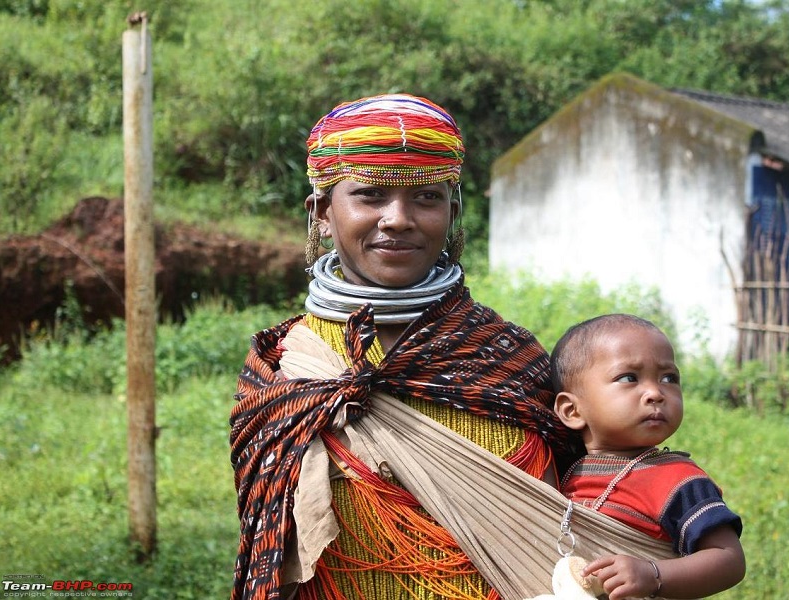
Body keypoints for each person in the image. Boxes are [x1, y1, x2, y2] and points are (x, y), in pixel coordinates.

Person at [229, 93, 579, 600]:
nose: (398, 218)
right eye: (371, 195)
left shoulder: (508, 358)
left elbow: (586, 502)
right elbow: (269, 548)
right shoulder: (284, 368)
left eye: (426, 197)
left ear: (453, 212)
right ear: (322, 212)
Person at [549, 314, 745, 600]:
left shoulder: (678, 478)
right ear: (572, 411)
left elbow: (729, 560)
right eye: (629, 378)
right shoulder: (563, 467)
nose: (656, 393)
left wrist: (654, 575)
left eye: (669, 378)